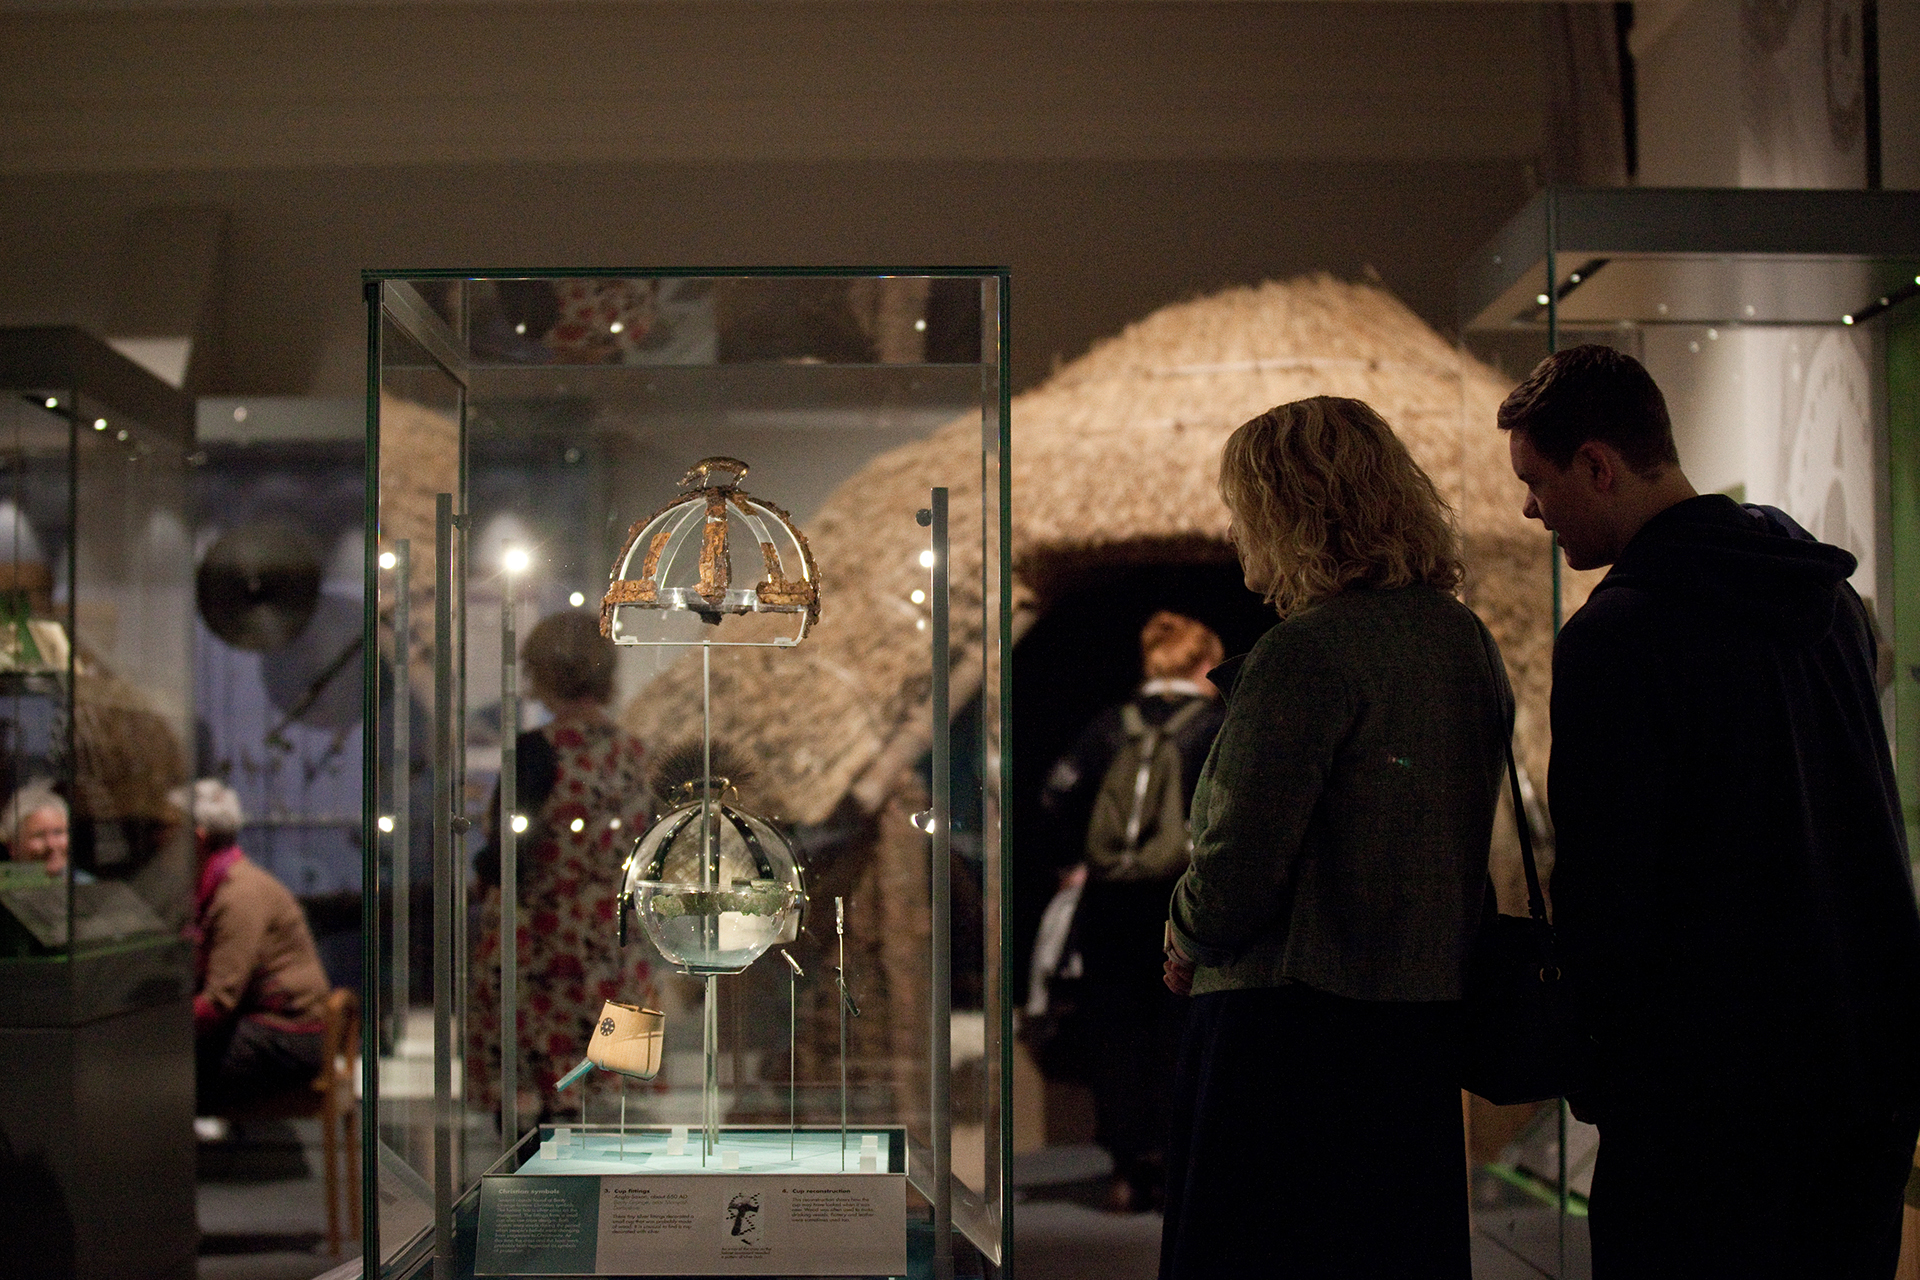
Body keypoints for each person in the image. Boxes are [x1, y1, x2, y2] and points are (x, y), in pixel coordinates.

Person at [1499, 344, 1920, 1278]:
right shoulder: (1827, 597)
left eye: (1535, 480)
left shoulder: (1615, 636)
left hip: (1705, 1103)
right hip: (1861, 1070)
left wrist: (1600, 1068)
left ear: (1598, 465)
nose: (1529, 509)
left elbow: (1613, 893)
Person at [1159, 396, 1510, 1280]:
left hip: (1287, 1038)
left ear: (1289, 511)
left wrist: (1184, 934)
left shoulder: (1304, 653)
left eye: (1246, 509)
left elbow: (1238, 861)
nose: (1237, 532)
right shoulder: (1463, 639)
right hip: (1417, 1030)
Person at [1037, 610, 1225, 1213]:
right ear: (1204, 664)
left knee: (1116, 1028)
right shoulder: (1216, 724)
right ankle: (1175, 1168)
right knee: (1181, 1027)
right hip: (1182, 899)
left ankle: (1123, 1169)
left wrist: (1074, 863)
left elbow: (1054, 796)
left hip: (1109, 903)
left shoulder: (1108, 727)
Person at [467, 609, 654, 1122]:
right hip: (615, 943)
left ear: (543, 674)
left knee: (539, 1104)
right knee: (616, 1104)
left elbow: (504, 854)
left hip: (542, 947)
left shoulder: (532, 753)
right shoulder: (638, 755)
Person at [186, 778, 333, 1114]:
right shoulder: (233, 882)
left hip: (293, 1036)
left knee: (169, 1072)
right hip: (285, 1028)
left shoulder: (237, 895)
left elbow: (218, 1002)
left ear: (196, 839)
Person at [1, 781, 69, 878]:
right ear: (12, 847)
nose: (51, 844)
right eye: (39, 835)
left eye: (58, 832)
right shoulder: (6, 891)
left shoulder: (88, 887)